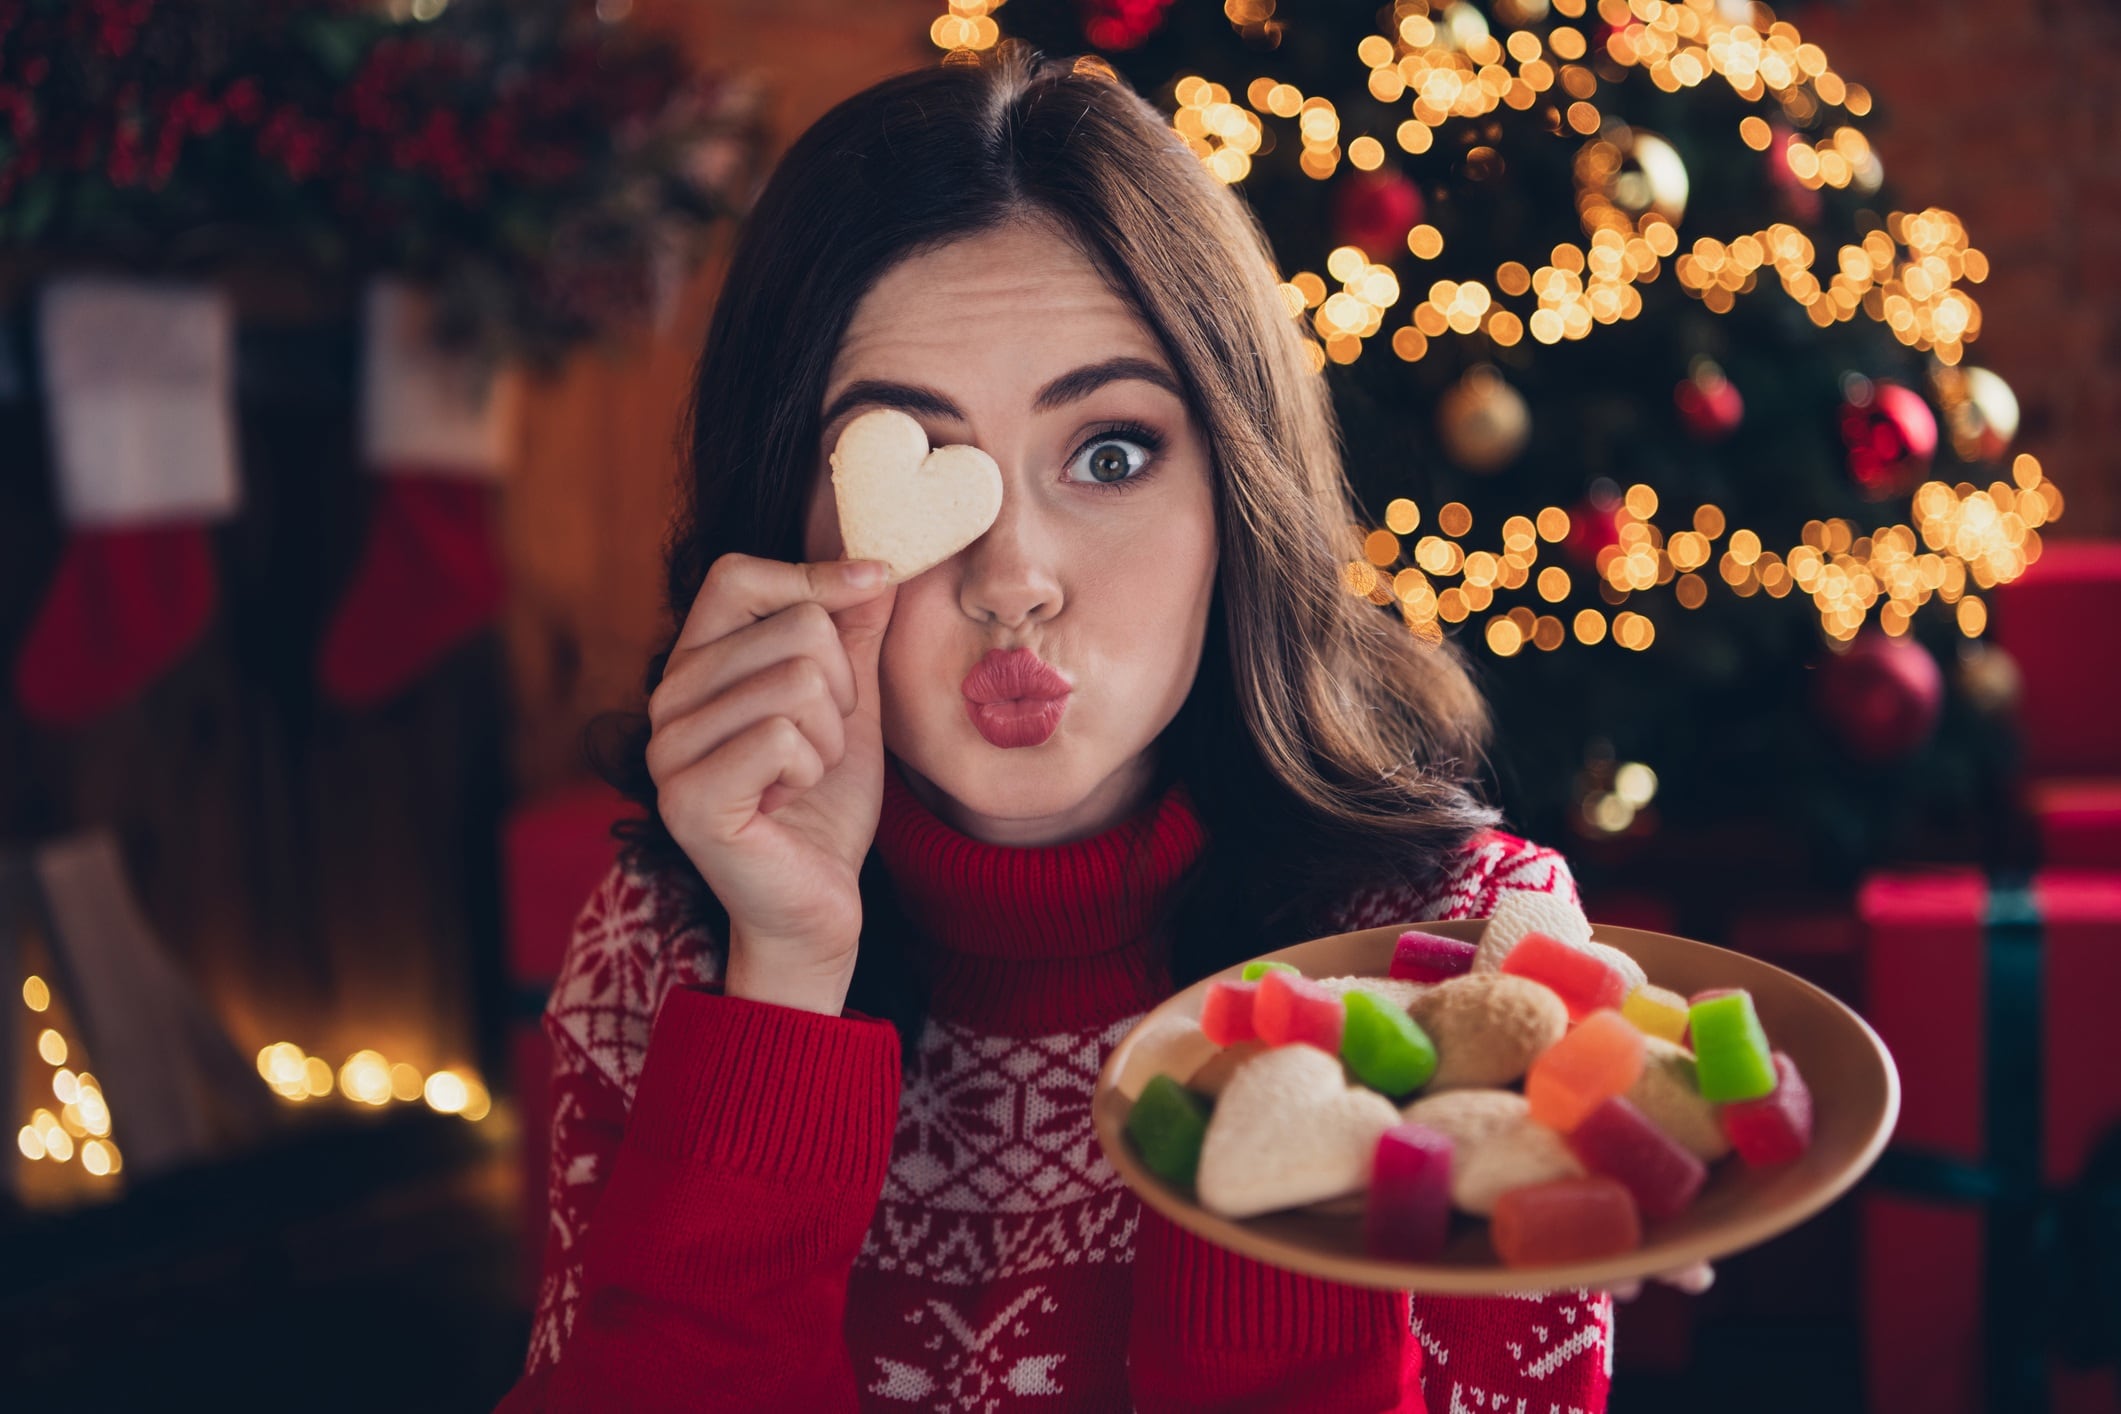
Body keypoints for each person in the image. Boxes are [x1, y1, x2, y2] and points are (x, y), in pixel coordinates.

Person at [496, 42, 1698, 1414]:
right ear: (789, 519)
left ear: (1237, 494)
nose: (1012, 577)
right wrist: (782, 974)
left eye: (1110, 452)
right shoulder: (662, 950)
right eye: (917, 467)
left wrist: (1277, 1128)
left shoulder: (1475, 960)